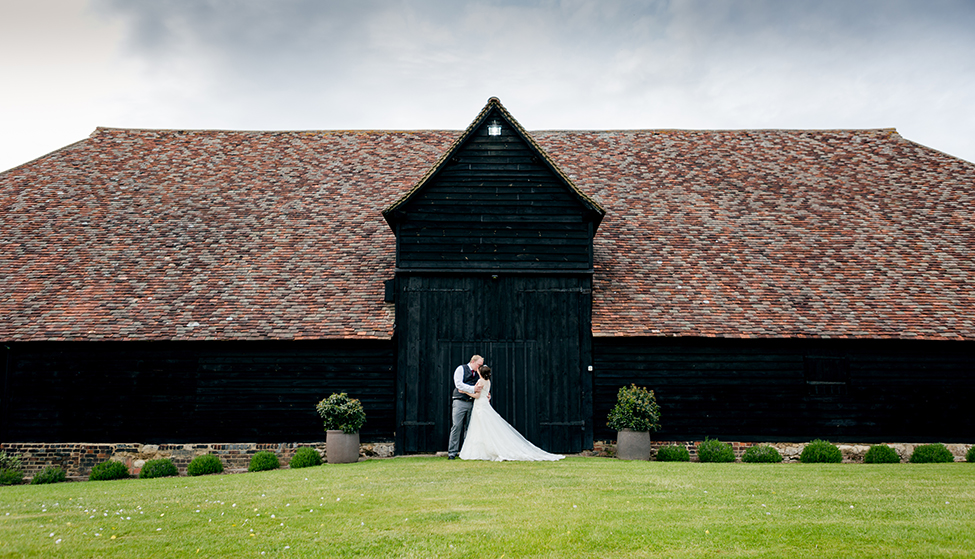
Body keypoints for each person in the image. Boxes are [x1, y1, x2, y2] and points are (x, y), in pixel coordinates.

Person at [460, 365, 564, 462]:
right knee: (484, 427)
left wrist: (465, 391)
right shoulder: (488, 381)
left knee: (480, 427)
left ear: (480, 372)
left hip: (480, 405)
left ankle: (482, 450)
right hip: (484, 404)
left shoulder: (480, 381)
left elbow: (477, 396)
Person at [447, 354, 484, 460]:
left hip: (473, 402)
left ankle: (466, 452)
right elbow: (458, 384)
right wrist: (473, 389)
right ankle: (452, 452)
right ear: (472, 362)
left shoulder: (479, 373)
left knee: (470, 427)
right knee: (456, 426)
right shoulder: (461, 369)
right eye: (478, 365)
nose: (480, 367)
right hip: (460, 401)